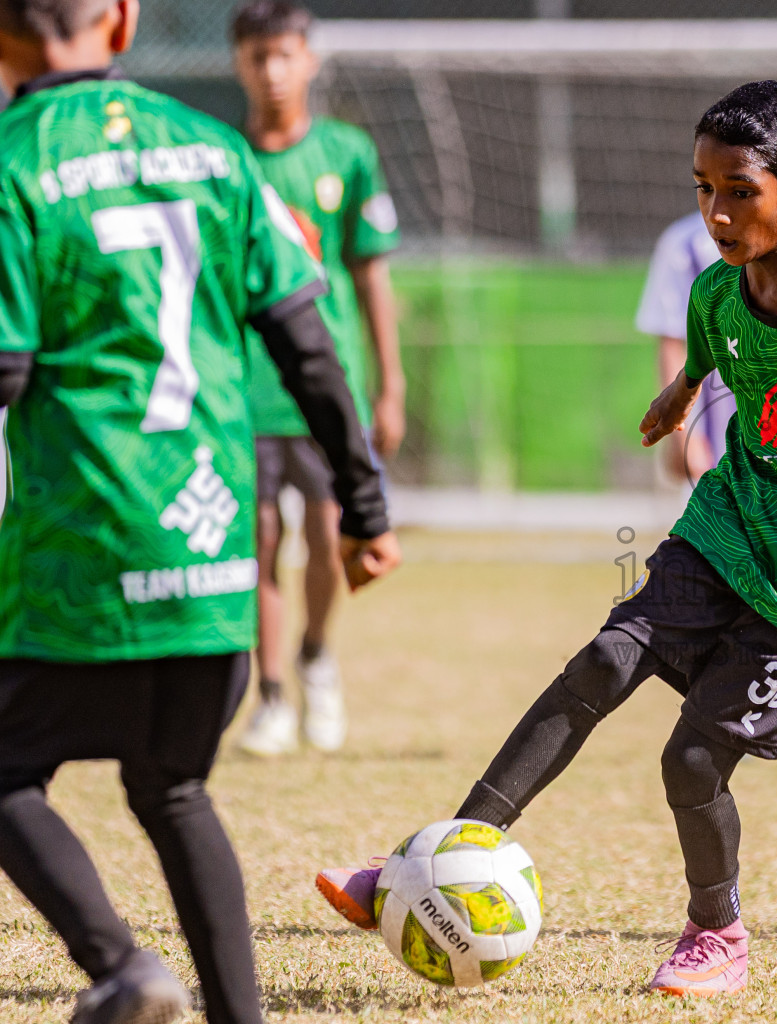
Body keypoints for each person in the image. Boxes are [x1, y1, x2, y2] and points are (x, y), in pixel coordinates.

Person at [316, 80, 777, 997]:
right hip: (727, 528)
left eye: (740, 191)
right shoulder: (716, 291)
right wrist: (680, 393)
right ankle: (430, 865)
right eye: (703, 189)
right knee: (602, 663)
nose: (717, 212)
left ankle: (716, 933)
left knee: (689, 759)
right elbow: (715, 347)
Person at [0, 2, 401, 1022]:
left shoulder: (11, 159)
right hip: (212, 546)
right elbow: (308, 340)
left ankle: (122, 966)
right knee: (172, 784)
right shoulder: (216, 152)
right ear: (123, 19)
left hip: (82, 546)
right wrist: (363, 501)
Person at [231, 0, 405, 756]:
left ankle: (316, 657)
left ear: (309, 58)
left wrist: (389, 384)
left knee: (332, 533)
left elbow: (371, 275)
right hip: (243, 387)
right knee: (258, 540)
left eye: (284, 54)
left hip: (327, 387)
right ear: (238, 62)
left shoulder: (347, 152)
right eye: (257, 55)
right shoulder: (222, 158)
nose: (272, 70)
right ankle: (269, 696)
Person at [637, 209, 777, 483]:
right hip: (718, 446)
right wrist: (683, 435)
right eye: (704, 186)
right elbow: (672, 340)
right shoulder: (685, 244)